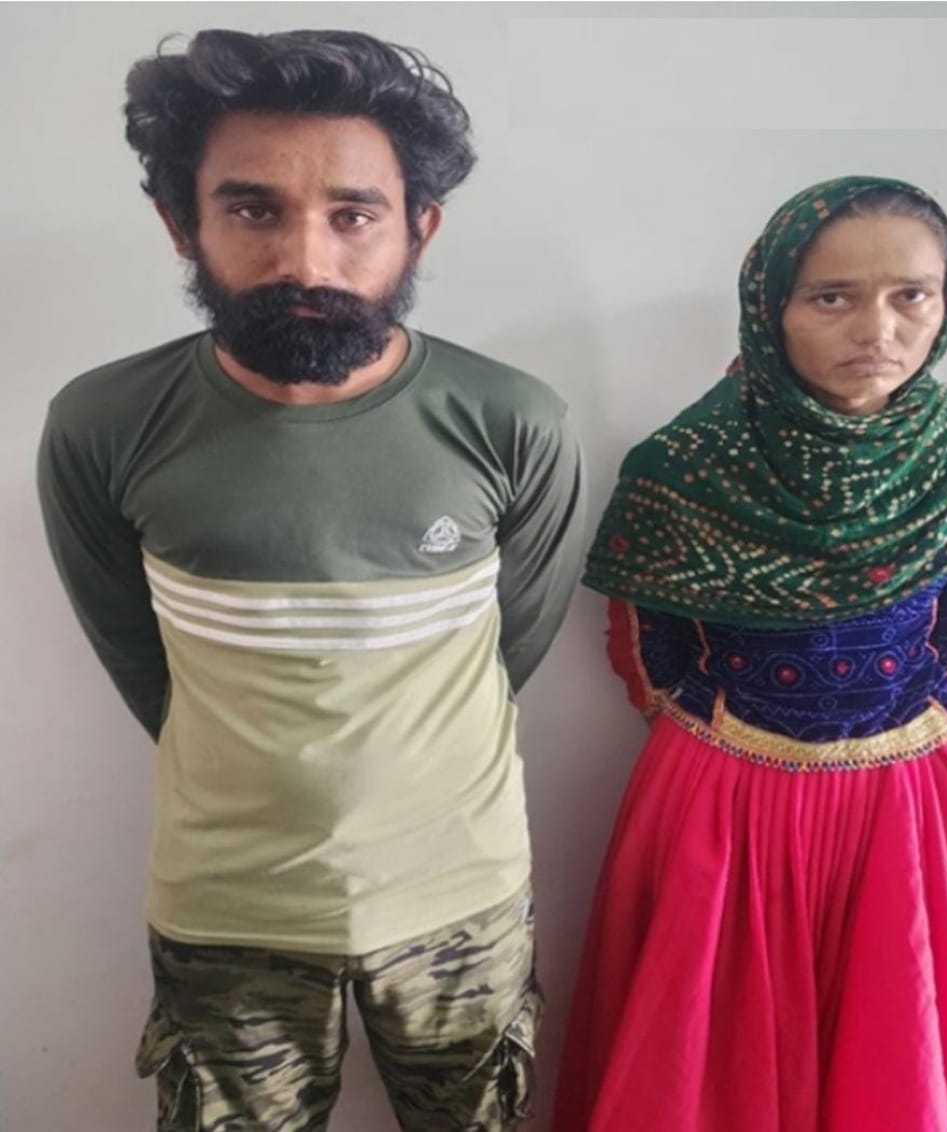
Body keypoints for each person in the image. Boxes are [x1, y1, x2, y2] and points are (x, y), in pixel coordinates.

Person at [36, 28, 585, 1132]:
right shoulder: (101, 425)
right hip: (226, 910)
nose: (305, 259)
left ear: (419, 226)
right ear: (180, 223)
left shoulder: (513, 421)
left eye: (353, 214)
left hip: (461, 899)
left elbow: (509, 645)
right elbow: (139, 657)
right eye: (253, 209)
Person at [554, 175, 947, 1132]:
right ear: (771, 307)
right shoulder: (686, 467)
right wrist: (747, 752)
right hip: (728, 800)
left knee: (918, 1045)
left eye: (912, 295)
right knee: (711, 1063)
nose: (877, 329)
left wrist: (889, 734)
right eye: (832, 297)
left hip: (917, 802)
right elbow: (648, 649)